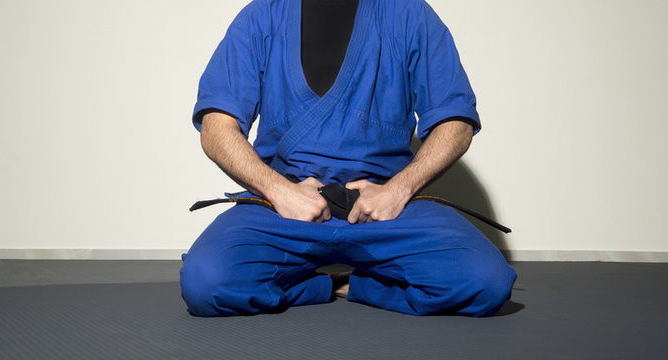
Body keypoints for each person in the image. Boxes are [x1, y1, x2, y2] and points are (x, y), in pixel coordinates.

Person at [180, 0, 516, 317]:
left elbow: (454, 123)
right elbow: (216, 127)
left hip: (383, 210)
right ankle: (323, 285)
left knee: (485, 283)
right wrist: (281, 192)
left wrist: (397, 190)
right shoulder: (262, 16)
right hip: (287, 209)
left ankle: (355, 285)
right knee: (206, 283)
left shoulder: (409, 14)